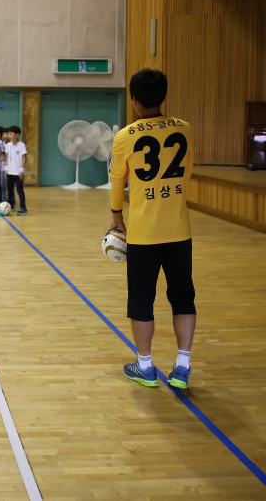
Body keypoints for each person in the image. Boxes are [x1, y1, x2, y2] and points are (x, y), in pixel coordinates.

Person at [108, 68, 196, 391]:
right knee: (183, 297)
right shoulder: (184, 129)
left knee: (141, 300)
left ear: (133, 100)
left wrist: (117, 214)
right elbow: (186, 174)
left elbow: (118, 180)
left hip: (143, 233)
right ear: (164, 96)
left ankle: (144, 366)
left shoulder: (125, 136)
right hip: (179, 229)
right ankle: (183, 365)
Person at [4, 125, 28, 215]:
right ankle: (10, 206)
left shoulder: (22, 145)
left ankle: (23, 208)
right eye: (8, 134)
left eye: (11, 134)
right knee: (9, 189)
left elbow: (24, 158)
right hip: (10, 171)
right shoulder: (8, 145)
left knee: (19, 190)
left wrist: (21, 170)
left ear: (17, 134)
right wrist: (6, 169)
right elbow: (8, 157)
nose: (9, 136)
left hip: (18, 172)